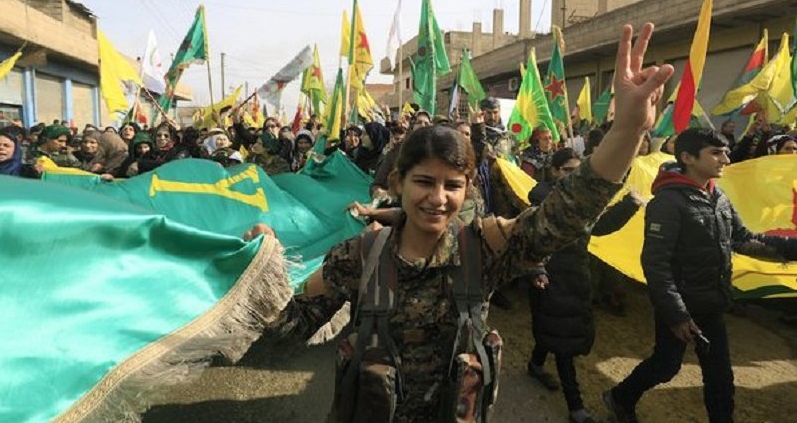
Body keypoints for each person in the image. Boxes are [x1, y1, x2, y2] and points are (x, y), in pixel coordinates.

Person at [258, 23, 675, 422]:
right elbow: (286, 328)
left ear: (467, 188)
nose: (438, 198)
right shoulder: (357, 256)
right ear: (398, 183)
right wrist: (260, 264)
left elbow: (566, 214)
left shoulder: (484, 247)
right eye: (424, 182)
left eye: (452, 185)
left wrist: (627, 130)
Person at [604, 128, 797, 423]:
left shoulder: (719, 197)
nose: (726, 160)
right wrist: (677, 316)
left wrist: (791, 249)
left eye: (726, 152)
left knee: (721, 379)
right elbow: (655, 264)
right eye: (716, 153)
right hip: (680, 307)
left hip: (712, 303)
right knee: (666, 366)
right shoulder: (667, 203)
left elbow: (744, 240)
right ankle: (620, 398)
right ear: (687, 158)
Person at [526, 148, 642, 423]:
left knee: (554, 328)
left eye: (578, 170)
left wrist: (630, 204)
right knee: (563, 340)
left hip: (576, 277)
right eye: (568, 170)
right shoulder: (542, 199)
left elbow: (599, 227)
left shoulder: (584, 199)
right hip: (548, 277)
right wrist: (537, 269)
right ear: (554, 171)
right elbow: (530, 239)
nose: (573, 175)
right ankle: (576, 407)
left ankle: (535, 364)